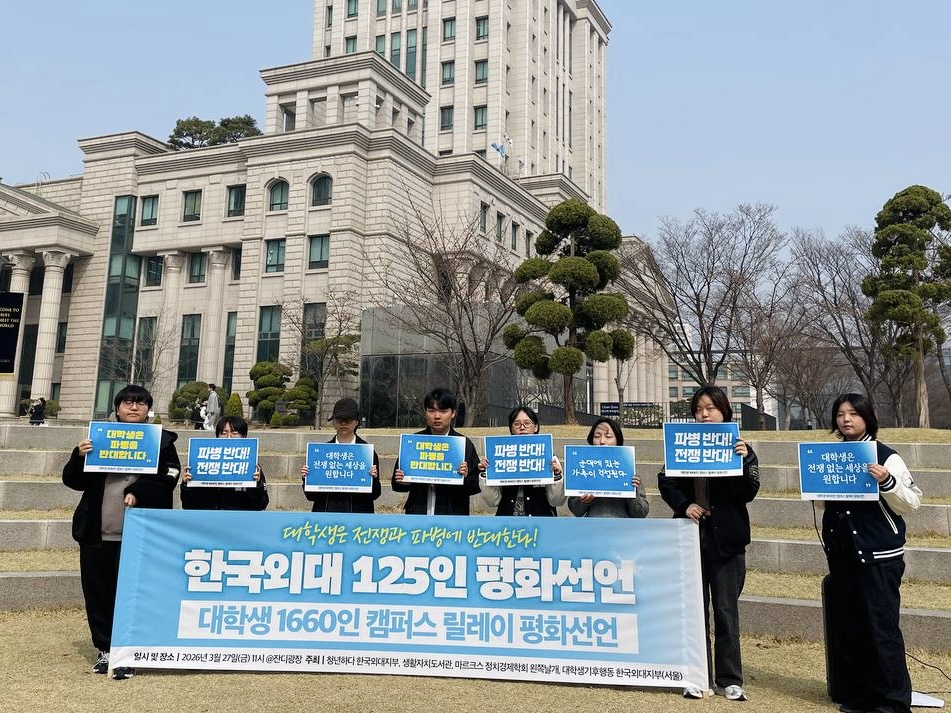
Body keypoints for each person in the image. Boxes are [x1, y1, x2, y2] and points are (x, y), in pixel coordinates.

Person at [61, 384, 181, 680]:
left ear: (148, 410)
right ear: (117, 409)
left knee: (134, 594)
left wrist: (138, 490)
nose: (133, 408)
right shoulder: (98, 438)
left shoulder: (162, 441)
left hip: (141, 535)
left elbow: (170, 476)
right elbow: (71, 481)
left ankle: (129, 652)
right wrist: (78, 456)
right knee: (99, 593)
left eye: (140, 403)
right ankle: (105, 649)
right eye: (127, 403)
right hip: (98, 531)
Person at [657, 386, 759, 702]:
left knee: (726, 611)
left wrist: (742, 461)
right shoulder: (681, 444)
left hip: (727, 539)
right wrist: (685, 504)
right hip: (690, 536)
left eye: (711, 408)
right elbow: (666, 480)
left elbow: (748, 491)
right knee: (693, 611)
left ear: (725, 412)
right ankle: (696, 676)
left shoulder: (743, 448)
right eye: (700, 409)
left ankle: (730, 679)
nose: (704, 414)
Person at [822, 393, 921, 713]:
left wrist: (887, 481)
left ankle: (892, 701)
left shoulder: (886, 456)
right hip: (843, 556)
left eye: (853, 413)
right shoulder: (829, 456)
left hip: (879, 556)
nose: (845, 419)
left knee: (881, 629)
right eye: (840, 414)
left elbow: (912, 502)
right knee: (852, 629)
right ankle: (862, 696)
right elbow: (825, 503)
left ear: (867, 417)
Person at [392, 388, 481, 515]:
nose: (437, 416)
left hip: (452, 516)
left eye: (443, 411)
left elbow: (473, 486)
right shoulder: (414, 443)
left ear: (453, 413)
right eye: (432, 411)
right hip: (418, 513)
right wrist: (403, 481)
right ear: (425, 412)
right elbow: (396, 485)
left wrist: (465, 477)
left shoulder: (463, 444)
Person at [479, 406, 565, 516]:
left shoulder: (549, 458)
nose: (522, 427)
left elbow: (557, 501)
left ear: (536, 427)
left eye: (527, 423)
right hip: (508, 523)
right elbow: (493, 501)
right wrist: (485, 474)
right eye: (517, 424)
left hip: (541, 523)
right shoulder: (500, 456)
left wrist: (557, 475)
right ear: (511, 429)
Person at [301, 397, 381, 512]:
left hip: (358, 518)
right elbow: (311, 496)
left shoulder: (367, 453)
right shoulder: (322, 453)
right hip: (326, 516)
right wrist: (307, 478)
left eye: (348, 419)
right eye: (339, 419)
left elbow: (375, 495)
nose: (343, 423)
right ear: (333, 422)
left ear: (357, 422)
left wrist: (374, 479)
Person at [180, 416, 268, 511]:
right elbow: (188, 505)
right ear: (217, 436)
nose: (229, 437)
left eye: (234, 433)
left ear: (244, 436)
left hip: (238, 521)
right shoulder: (201, 463)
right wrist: (186, 485)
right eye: (224, 433)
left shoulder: (252, 467)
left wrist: (257, 485)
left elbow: (261, 505)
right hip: (208, 520)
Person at [567, 417, 649, 518]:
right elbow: (576, 511)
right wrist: (583, 501)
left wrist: (633, 493)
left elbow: (641, 513)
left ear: (617, 441)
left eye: (608, 437)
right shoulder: (583, 470)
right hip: (592, 528)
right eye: (597, 436)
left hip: (623, 530)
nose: (602, 441)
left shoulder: (629, 472)